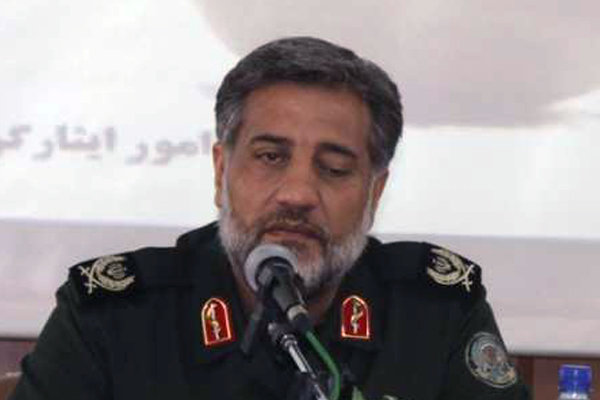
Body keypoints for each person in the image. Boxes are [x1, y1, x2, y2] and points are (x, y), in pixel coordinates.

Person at [10, 37, 530, 400]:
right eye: (270, 157)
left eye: (334, 168)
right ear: (221, 171)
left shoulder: (435, 314)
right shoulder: (112, 317)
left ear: (375, 192)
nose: (298, 194)